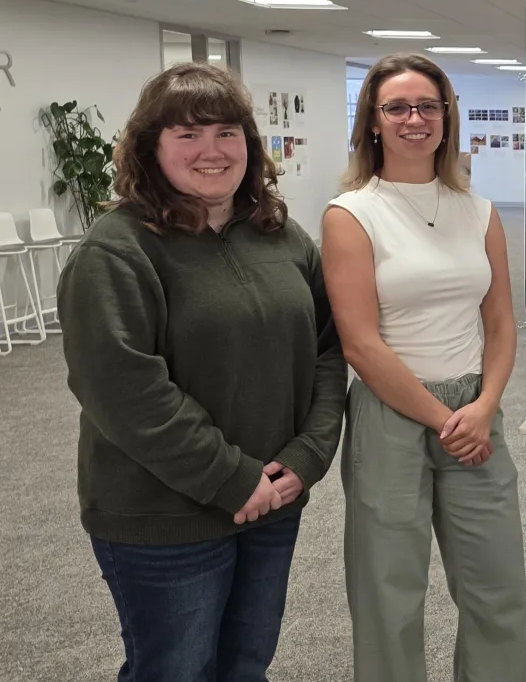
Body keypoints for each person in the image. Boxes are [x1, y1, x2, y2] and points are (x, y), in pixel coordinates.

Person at [56, 62, 346, 681]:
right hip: (165, 515)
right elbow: (126, 391)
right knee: (175, 670)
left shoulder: (282, 236)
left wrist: (308, 456)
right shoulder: (117, 250)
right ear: (150, 149)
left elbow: (327, 350)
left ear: (250, 145)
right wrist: (231, 478)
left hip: (273, 497)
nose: (211, 151)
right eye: (187, 134)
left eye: (226, 132)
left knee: (246, 664)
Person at [323, 53, 526, 681]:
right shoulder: (351, 214)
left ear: (446, 117)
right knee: (388, 593)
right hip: (392, 412)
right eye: (397, 108)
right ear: (373, 121)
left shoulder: (479, 211)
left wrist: (485, 405)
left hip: (474, 410)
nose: (414, 119)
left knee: (497, 585)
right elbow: (360, 345)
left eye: (428, 106)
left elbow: (500, 322)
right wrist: (444, 420)